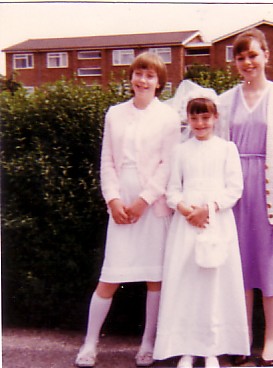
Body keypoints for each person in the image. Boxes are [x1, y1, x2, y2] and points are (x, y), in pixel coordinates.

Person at [75, 52, 181, 368]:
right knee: (109, 277)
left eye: (150, 76)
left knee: (155, 278)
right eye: (138, 74)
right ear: (131, 77)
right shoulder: (114, 114)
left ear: (159, 83)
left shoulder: (169, 117)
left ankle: (148, 344)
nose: (143, 80)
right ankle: (90, 343)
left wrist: (143, 200)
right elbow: (107, 161)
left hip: (153, 206)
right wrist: (114, 200)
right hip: (121, 203)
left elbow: (168, 164)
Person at [218, 28, 273, 366]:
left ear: (266, 56)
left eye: (253, 55)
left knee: (268, 267)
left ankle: (272, 339)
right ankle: (243, 338)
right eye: (240, 58)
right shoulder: (224, 101)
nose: (247, 63)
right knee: (237, 268)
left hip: (269, 192)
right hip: (234, 194)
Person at [153, 86, 250, 368]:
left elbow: (235, 189)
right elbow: (172, 190)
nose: (200, 124)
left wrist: (208, 209)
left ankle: (211, 348)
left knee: (214, 286)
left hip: (216, 223)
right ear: (188, 120)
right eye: (195, 119)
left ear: (215, 117)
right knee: (187, 285)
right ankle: (186, 347)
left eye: (205, 118)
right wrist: (185, 209)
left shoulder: (227, 149)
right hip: (186, 226)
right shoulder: (181, 151)